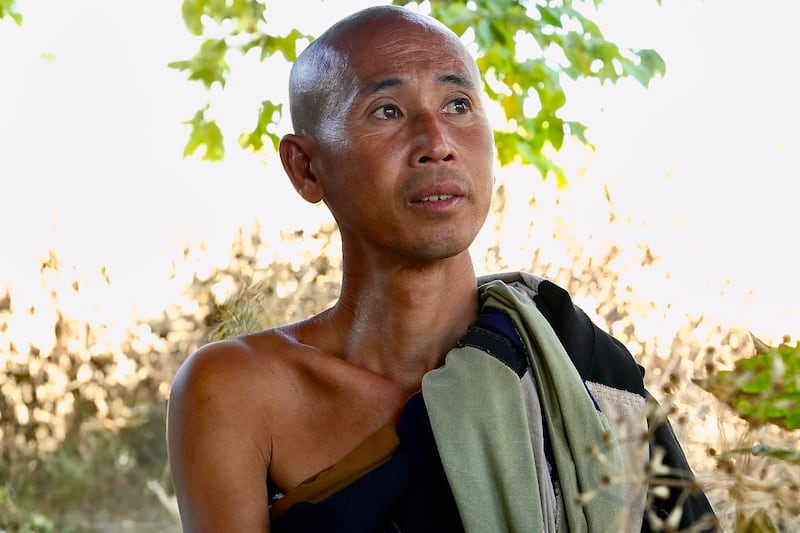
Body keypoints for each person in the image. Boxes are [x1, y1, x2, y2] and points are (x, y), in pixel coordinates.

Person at [167, 5, 717, 532]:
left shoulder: (575, 364)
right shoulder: (239, 391)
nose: (436, 143)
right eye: (387, 111)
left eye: (458, 105)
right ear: (307, 168)